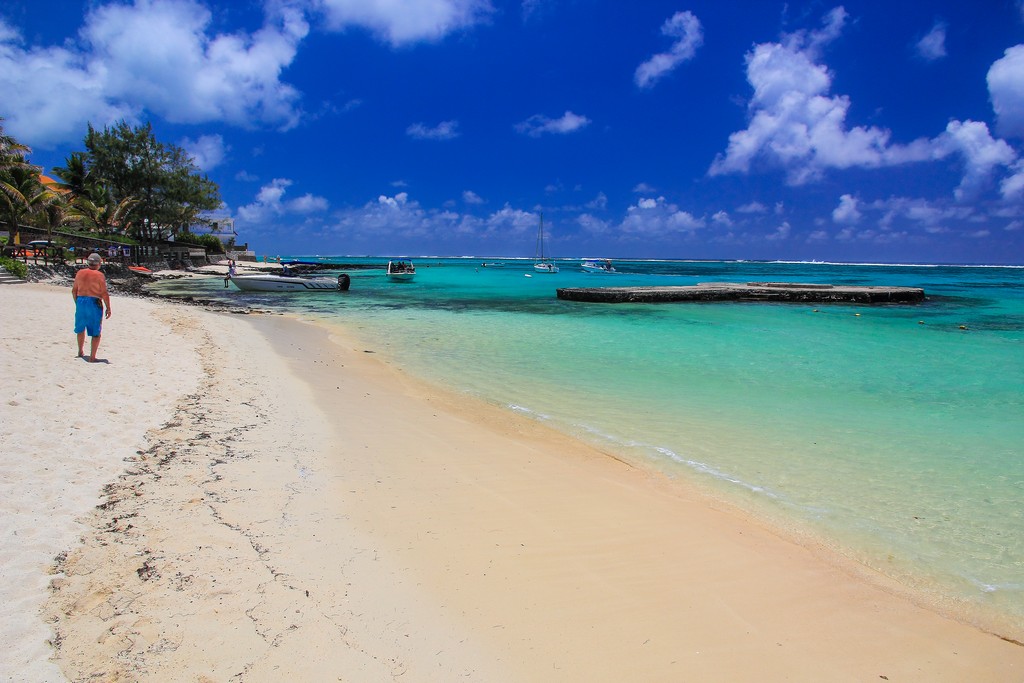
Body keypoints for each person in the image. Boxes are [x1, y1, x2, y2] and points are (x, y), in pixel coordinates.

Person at [72, 253, 111, 362]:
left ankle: (80, 351)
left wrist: (77, 303)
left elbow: (74, 291)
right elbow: (104, 293)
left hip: (80, 300)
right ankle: (92, 357)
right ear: (99, 264)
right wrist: (108, 308)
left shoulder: (80, 273)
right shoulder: (99, 275)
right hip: (94, 302)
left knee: (80, 328)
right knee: (96, 331)